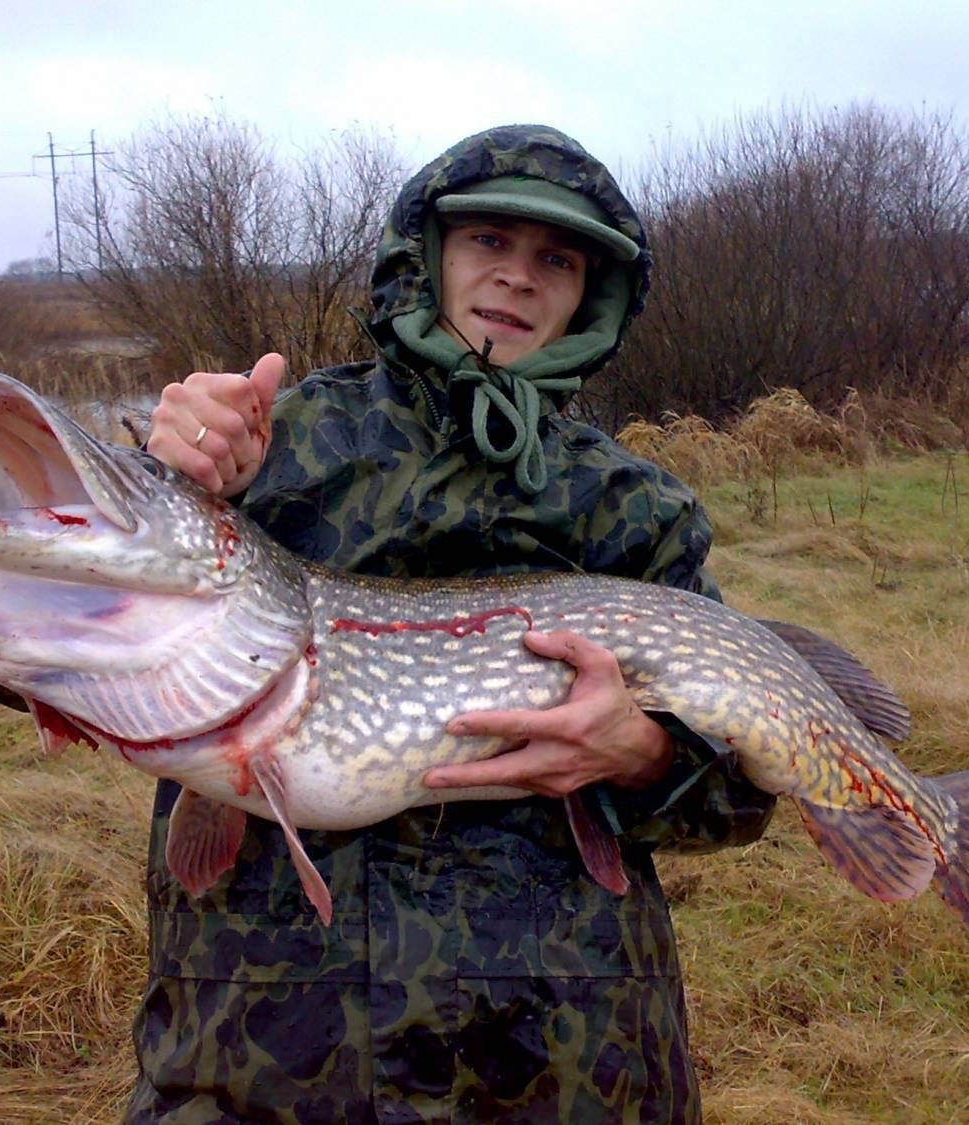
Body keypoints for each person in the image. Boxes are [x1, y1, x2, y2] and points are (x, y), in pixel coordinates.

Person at [129, 124, 775, 1123]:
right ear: (425, 256)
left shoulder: (636, 511)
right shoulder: (273, 445)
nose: (517, 278)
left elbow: (739, 798)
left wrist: (641, 754)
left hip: (565, 1052)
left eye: (554, 258)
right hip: (270, 1047)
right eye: (489, 244)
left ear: (590, 295)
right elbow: (44, 642)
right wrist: (175, 483)